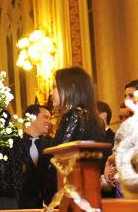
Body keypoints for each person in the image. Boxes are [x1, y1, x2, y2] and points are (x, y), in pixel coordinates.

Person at [43, 66, 106, 202]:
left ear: (70, 88)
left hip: (67, 197)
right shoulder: (90, 117)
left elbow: (60, 159)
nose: (50, 93)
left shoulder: (75, 115)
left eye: (54, 87)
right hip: (85, 193)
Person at [18, 105, 53, 209]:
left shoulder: (52, 145)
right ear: (31, 118)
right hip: (21, 206)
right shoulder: (16, 143)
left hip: (47, 205)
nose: (50, 122)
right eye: (46, 117)